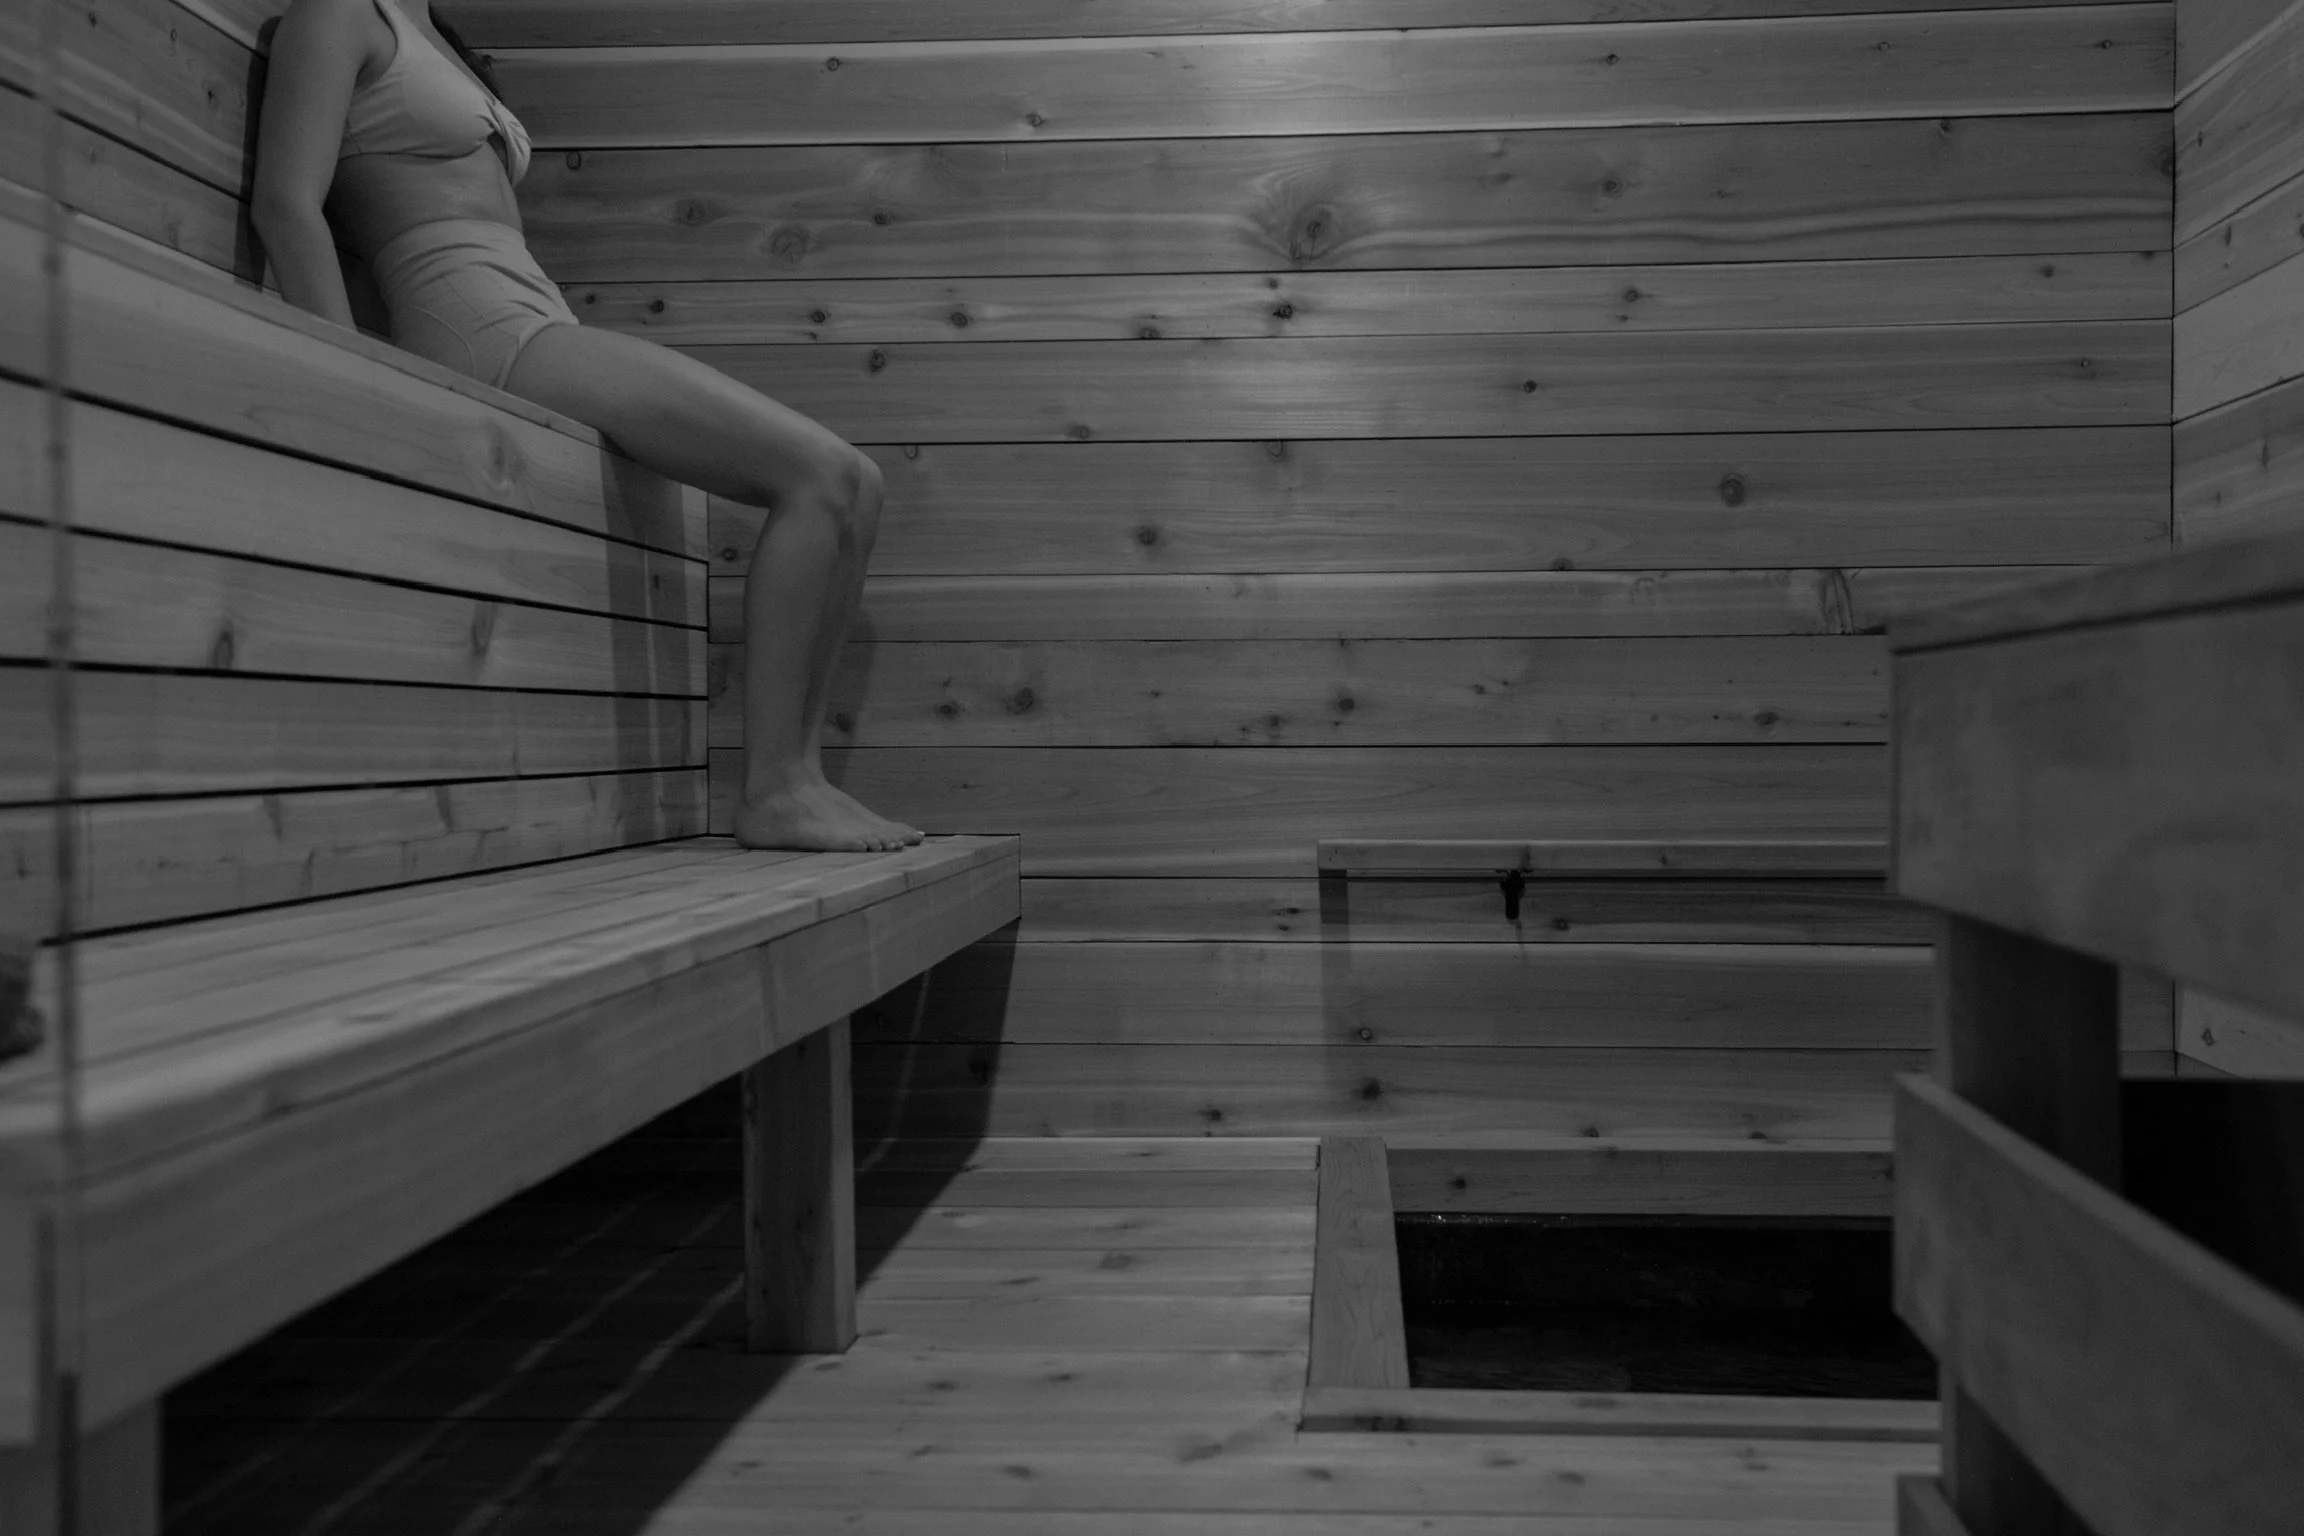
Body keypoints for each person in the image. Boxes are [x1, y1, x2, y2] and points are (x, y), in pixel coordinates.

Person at [252, 0, 922, 853]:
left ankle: (802, 776)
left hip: (529, 308)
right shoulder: (338, 13)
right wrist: (357, 386)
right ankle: (772, 789)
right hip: (475, 321)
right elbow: (285, 204)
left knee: (856, 486)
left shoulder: (431, 36)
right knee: (819, 475)